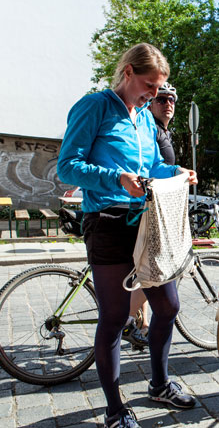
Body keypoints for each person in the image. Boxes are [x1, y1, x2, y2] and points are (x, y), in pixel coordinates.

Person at [57, 43, 197, 428]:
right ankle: (115, 410)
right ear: (128, 73)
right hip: (106, 222)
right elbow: (68, 166)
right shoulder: (95, 106)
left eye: (159, 88)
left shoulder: (145, 118)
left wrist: (177, 171)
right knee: (116, 317)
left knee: (167, 306)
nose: (155, 94)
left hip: (145, 223)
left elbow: (152, 165)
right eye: (150, 85)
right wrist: (116, 178)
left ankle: (159, 383)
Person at [122, 81, 179, 348]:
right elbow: (149, 169)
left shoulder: (162, 132)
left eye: (172, 100)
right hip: (145, 209)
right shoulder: (149, 127)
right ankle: (126, 319)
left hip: (155, 207)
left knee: (145, 272)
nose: (167, 103)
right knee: (152, 273)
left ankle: (140, 325)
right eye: (162, 99)